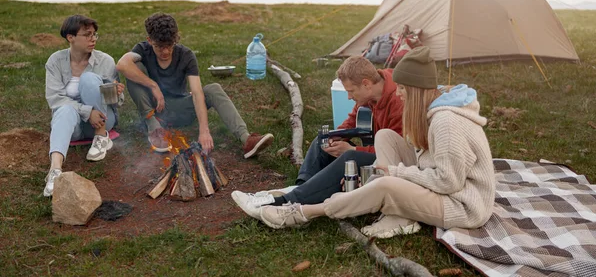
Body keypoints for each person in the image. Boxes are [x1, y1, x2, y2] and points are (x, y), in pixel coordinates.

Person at [257, 46, 495, 239]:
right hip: (445, 185)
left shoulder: (446, 123)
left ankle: (304, 212)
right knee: (385, 137)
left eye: (403, 88)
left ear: (416, 89)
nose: (399, 94)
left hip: (462, 205)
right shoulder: (434, 104)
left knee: (385, 186)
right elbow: (429, 160)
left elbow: (448, 182)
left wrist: (395, 173)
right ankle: (401, 214)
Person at [231, 55, 404, 217]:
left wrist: (353, 149)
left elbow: (396, 150)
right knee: (323, 139)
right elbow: (351, 121)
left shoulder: (398, 101)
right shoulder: (369, 96)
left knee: (350, 156)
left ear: (366, 84)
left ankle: (285, 202)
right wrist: (334, 137)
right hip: (376, 151)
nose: (349, 97)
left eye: (351, 91)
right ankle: (301, 187)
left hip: (394, 163)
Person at [116, 12, 273, 157]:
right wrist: (153, 86)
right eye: (159, 46)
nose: (165, 51)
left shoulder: (186, 55)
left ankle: (246, 139)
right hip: (156, 109)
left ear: (176, 39)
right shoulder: (142, 49)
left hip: (181, 109)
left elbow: (197, 93)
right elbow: (122, 64)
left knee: (213, 88)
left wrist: (204, 131)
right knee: (134, 68)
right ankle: (154, 128)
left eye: (169, 45)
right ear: (150, 40)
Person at [44, 15, 124, 197]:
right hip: (73, 125)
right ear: (70, 37)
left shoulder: (105, 61)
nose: (93, 39)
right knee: (63, 109)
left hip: (103, 120)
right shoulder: (55, 61)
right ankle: (55, 171)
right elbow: (55, 99)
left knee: (88, 79)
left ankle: (101, 138)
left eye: (95, 34)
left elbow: (115, 104)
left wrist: (116, 93)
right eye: (87, 35)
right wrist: (87, 112)